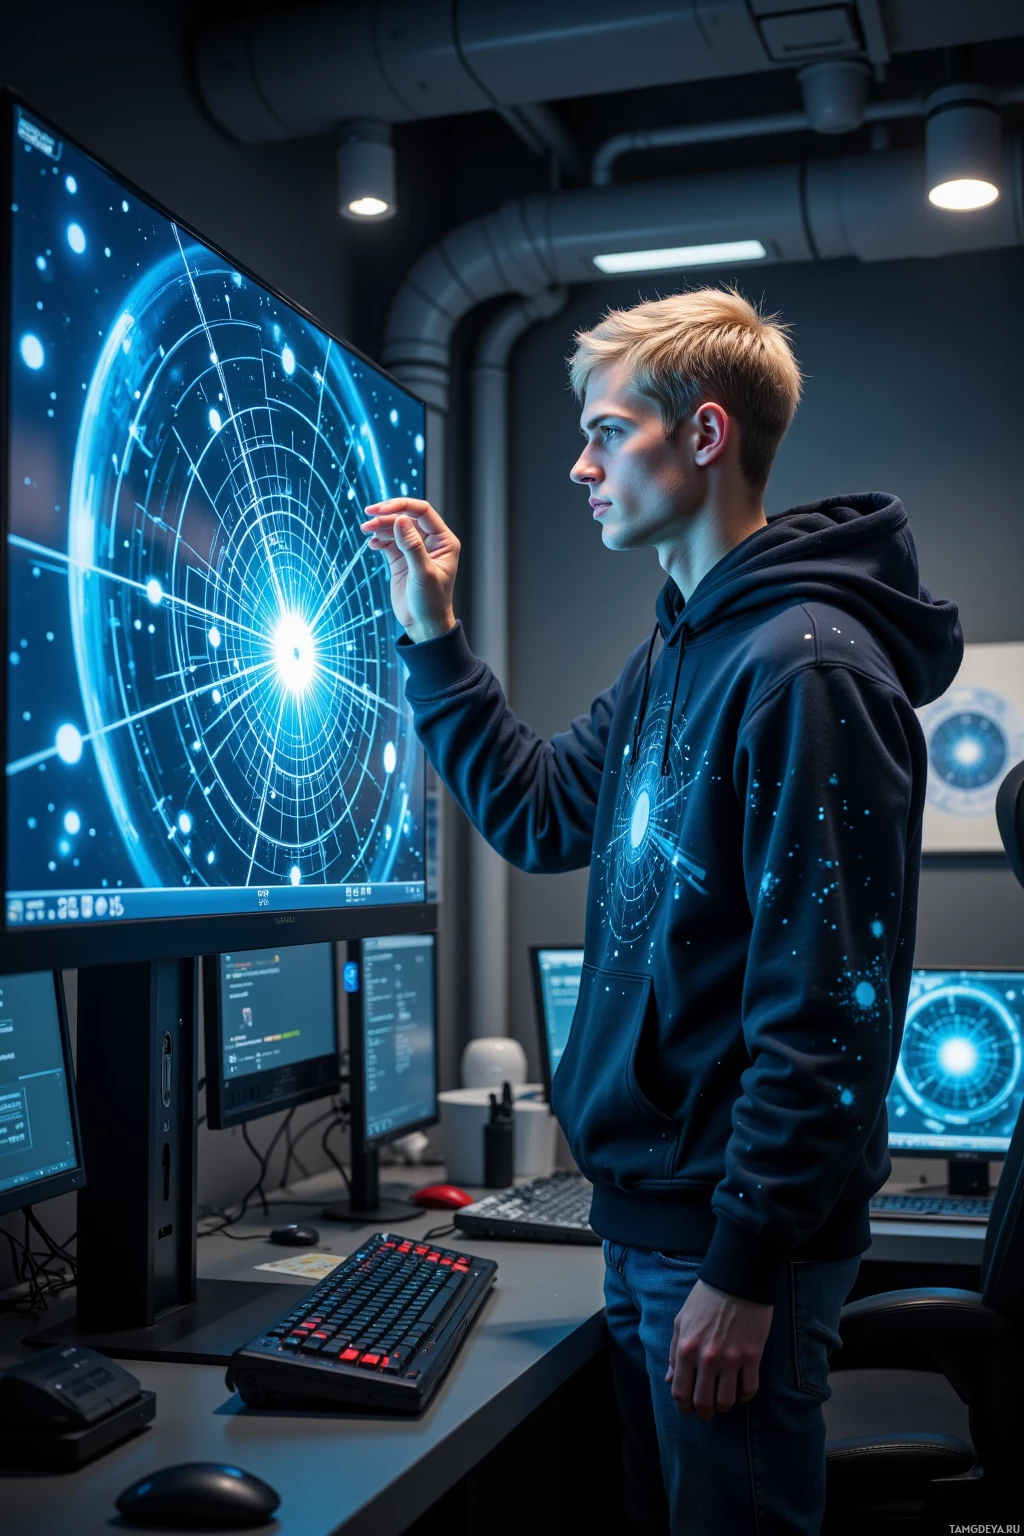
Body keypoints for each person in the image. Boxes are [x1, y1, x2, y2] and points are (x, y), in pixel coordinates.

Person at [361, 287, 962, 1535]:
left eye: (602, 433)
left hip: (731, 1246)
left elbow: (830, 1011)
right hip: (655, 1228)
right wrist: (434, 641)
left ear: (700, 436)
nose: (579, 468)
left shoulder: (804, 667)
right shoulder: (677, 653)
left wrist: (743, 1266)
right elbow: (537, 815)